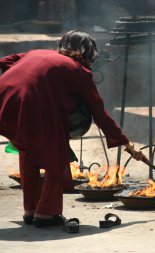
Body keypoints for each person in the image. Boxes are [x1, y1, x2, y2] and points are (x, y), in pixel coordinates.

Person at [0, 30, 146, 228]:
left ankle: (30, 210)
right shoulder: (79, 71)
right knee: (57, 156)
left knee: (28, 151)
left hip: (6, 100)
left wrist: (28, 80)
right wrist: (127, 145)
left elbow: (5, 61)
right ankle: (46, 214)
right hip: (35, 109)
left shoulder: (35, 53)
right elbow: (100, 114)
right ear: (88, 54)